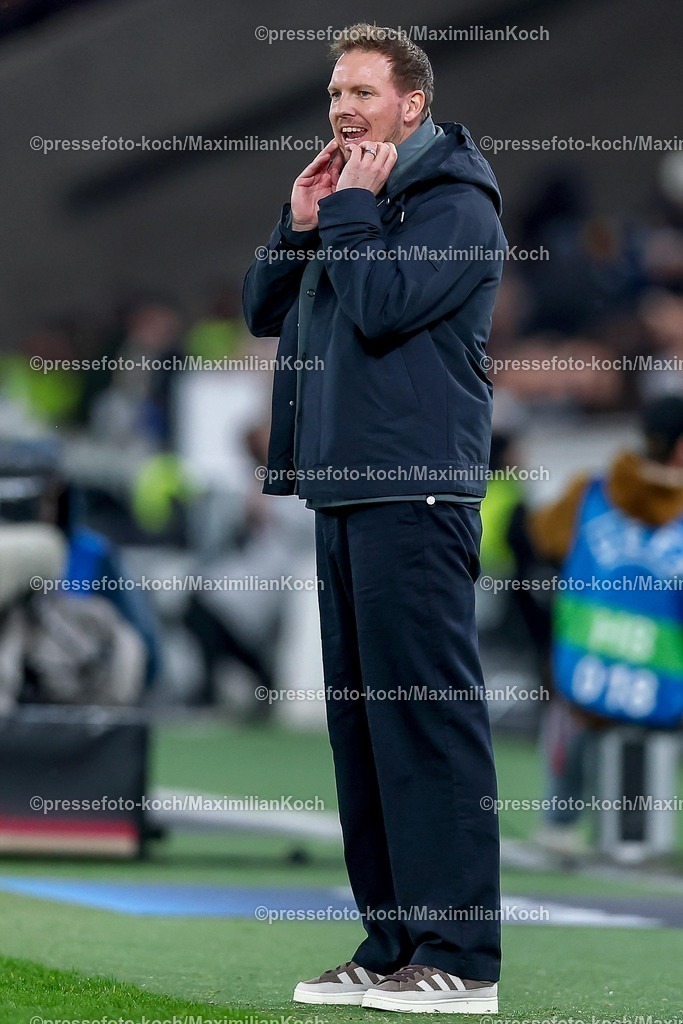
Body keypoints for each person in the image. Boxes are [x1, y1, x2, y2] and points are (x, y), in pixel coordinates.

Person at [243, 24, 505, 1014]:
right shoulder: (352, 200)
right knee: (362, 731)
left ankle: (462, 960)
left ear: (411, 103)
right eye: (332, 92)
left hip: (415, 491)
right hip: (346, 490)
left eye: (359, 91)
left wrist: (349, 210)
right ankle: (393, 940)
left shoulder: (456, 199)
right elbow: (264, 309)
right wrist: (300, 218)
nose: (341, 108)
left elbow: (385, 303)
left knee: (428, 726)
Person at [529, 393, 683, 850]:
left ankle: (560, 823)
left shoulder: (590, 491)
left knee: (569, 717)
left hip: (587, 667)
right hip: (670, 677)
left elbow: (543, 539)